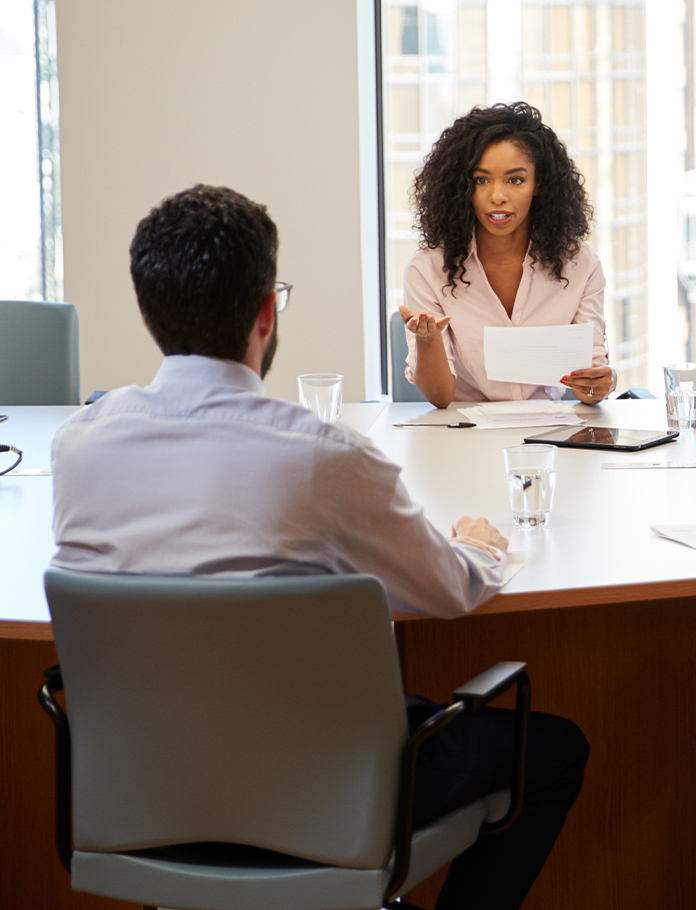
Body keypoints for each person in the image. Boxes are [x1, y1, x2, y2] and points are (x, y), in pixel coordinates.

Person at [51, 184, 589, 910]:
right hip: (325, 796)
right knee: (551, 752)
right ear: (268, 312)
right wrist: (477, 544)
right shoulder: (323, 458)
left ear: (148, 314)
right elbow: (448, 591)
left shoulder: (79, 446)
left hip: (135, 791)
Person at [401, 102, 613, 408]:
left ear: (538, 184)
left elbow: (589, 386)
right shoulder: (426, 270)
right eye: (481, 180)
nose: (497, 196)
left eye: (515, 180)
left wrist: (601, 382)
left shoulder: (581, 265)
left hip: (547, 435)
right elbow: (440, 397)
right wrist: (428, 340)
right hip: (462, 433)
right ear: (462, 187)